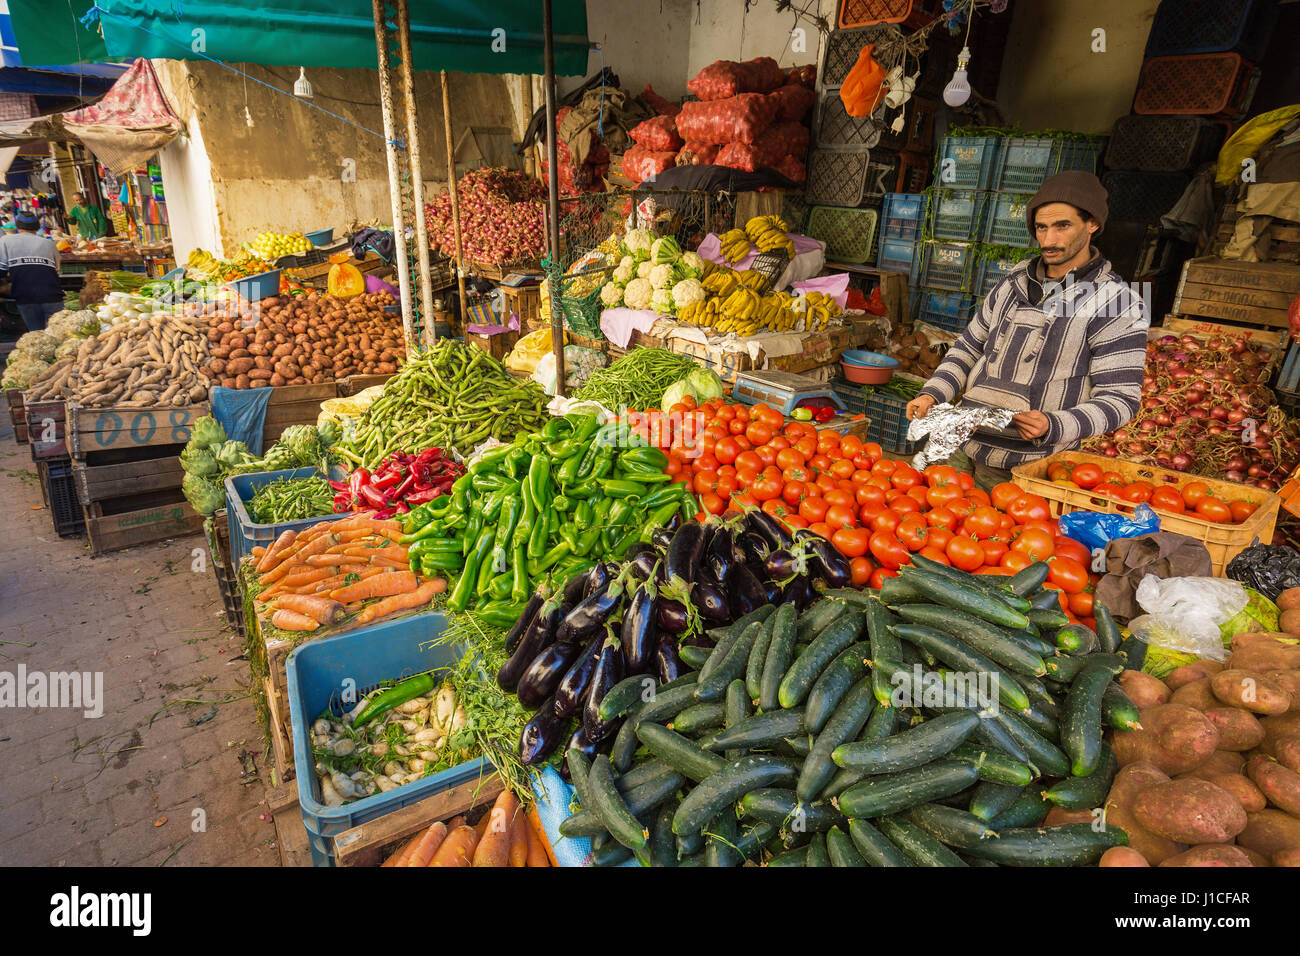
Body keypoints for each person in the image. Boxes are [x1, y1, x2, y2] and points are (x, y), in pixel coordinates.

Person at [904, 171, 1149, 493]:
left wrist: (1053, 424)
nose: (1048, 240)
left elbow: (1121, 400)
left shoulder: (1117, 303)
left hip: (1030, 465)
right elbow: (968, 347)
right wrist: (933, 392)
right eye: (1041, 227)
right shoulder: (1012, 284)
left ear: (1092, 225)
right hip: (961, 443)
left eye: (1063, 226)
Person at [0, 209, 65, 331]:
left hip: (26, 296)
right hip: (52, 295)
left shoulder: (6, 241)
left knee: (36, 334)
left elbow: (1, 270)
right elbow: (56, 269)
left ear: (18, 227)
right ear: (37, 227)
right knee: (59, 333)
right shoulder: (49, 243)